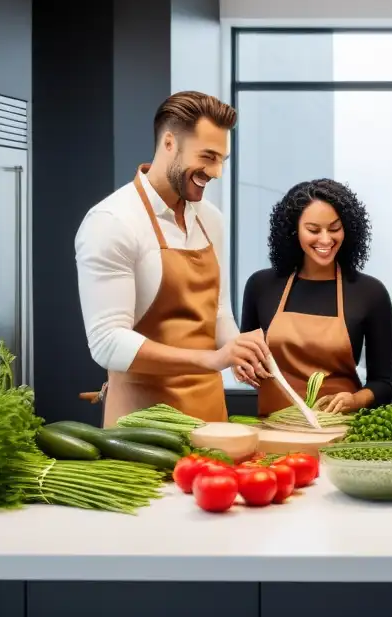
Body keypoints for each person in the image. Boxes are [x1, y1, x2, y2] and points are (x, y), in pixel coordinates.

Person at [75, 91, 270, 427]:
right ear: (169, 143)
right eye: (208, 157)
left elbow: (217, 311)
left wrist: (237, 347)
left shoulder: (212, 219)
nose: (217, 172)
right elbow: (107, 343)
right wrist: (213, 359)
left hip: (211, 419)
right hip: (143, 430)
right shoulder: (112, 221)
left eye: (222, 159)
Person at [240, 179, 392, 416]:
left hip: (339, 432)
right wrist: (243, 366)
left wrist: (353, 400)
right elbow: (247, 359)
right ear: (294, 230)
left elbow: (382, 385)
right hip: (273, 432)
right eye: (313, 230)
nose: (325, 240)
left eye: (334, 229)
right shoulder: (261, 286)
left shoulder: (369, 293)